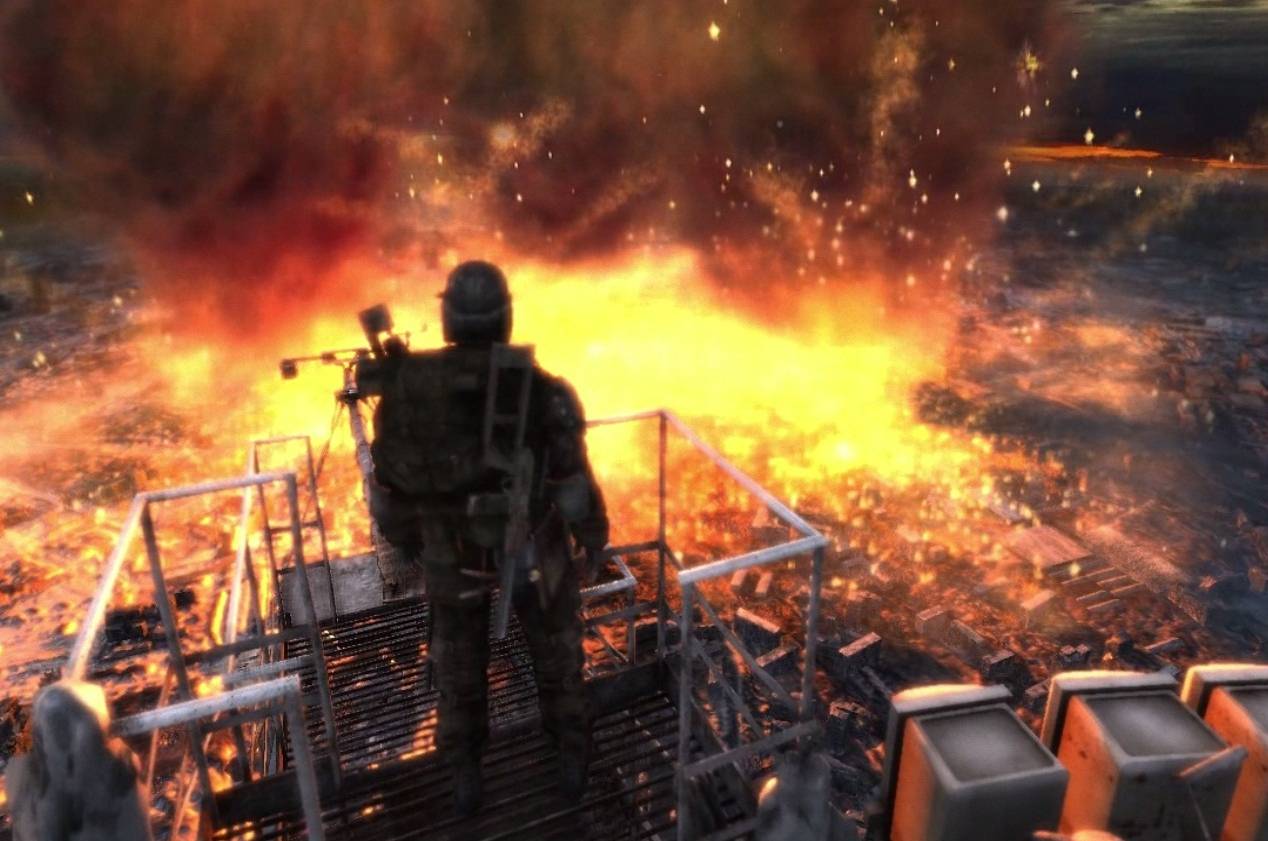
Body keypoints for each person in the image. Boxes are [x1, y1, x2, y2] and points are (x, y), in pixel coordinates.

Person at [367, 260, 609, 817]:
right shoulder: (544, 390)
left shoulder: (408, 390)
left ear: (449, 318)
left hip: (453, 554)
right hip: (536, 549)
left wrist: (409, 541)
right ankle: (570, 758)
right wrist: (593, 538)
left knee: (459, 667)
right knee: (558, 657)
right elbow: (572, 484)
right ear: (505, 316)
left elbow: (390, 493)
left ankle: (466, 776)